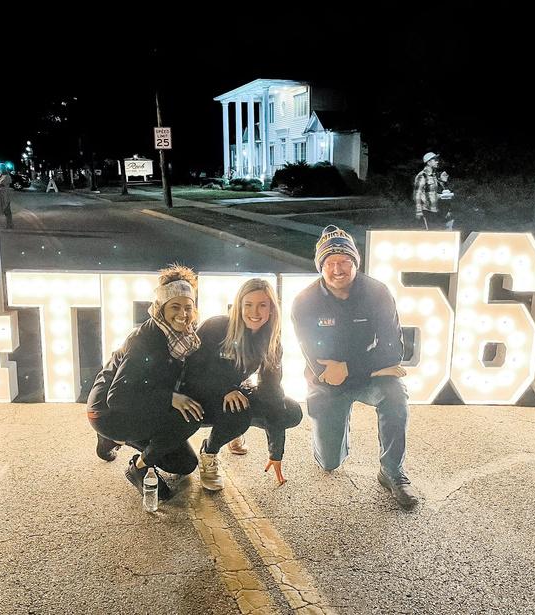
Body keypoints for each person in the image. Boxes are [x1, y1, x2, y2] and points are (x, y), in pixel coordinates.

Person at [291, 225, 418, 509]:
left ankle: (392, 471)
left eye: (345, 261)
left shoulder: (377, 292)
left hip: (364, 376)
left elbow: (393, 351)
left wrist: (351, 369)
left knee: (395, 393)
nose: (338, 269)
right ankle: (334, 430)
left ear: (356, 263)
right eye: (330, 263)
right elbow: (320, 365)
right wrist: (374, 367)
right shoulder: (304, 302)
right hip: (328, 383)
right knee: (329, 463)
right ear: (320, 266)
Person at [86, 265, 205, 502]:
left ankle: (113, 440)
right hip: (107, 412)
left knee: (185, 464)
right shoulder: (144, 340)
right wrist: (170, 397)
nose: (183, 314)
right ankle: (138, 467)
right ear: (161, 308)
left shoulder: (183, 337)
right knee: (189, 417)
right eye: (174, 307)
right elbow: (118, 397)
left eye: (188, 307)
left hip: (137, 405)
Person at [182, 279, 302, 487]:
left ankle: (232, 430)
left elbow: (272, 392)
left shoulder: (271, 342)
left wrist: (276, 452)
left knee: (290, 410)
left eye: (262, 305)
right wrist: (224, 390)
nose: (255, 312)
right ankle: (209, 452)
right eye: (248, 304)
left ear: (272, 309)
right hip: (197, 395)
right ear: (239, 306)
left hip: (233, 393)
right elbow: (191, 371)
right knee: (238, 414)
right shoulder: (216, 326)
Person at [413, 152, 450, 229]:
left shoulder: (434, 175)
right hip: (426, 210)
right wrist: (419, 211)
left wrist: (443, 181)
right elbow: (417, 194)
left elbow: (434, 192)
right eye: (435, 160)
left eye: (437, 160)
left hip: (435, 210)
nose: (437, 162)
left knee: (438, 231)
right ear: (428, 162)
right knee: (430, 232)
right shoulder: (422, 175)